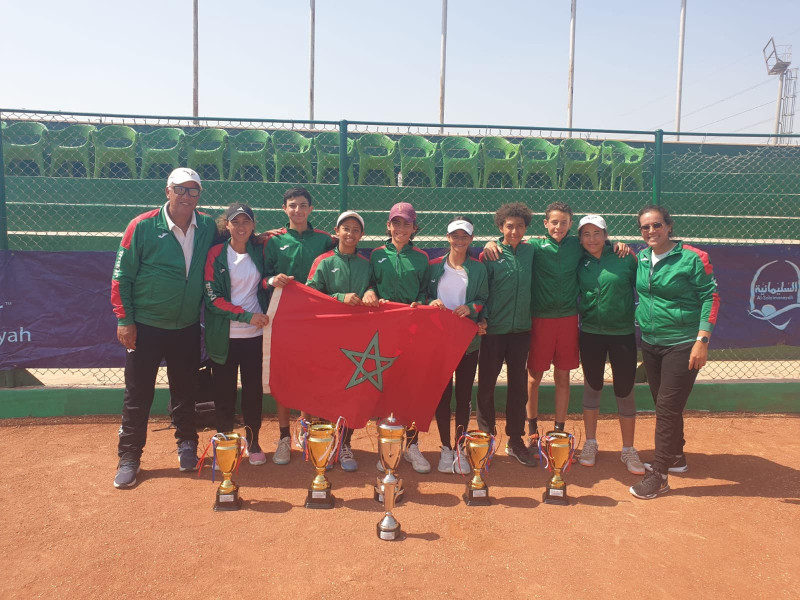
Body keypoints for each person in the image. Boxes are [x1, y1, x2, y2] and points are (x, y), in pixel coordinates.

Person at [483, 202, 628, 443]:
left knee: (563, 376)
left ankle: (559, 428)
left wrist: (617, 245)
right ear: (545, 224)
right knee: (534, 377)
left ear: (571, 224)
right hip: (540, 320)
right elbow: (509, 243)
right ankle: (531, 428)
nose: (558, 227)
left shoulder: (577, 245)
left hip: (569, 319)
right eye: (554, 222)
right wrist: (492, 242)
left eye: (563, 222)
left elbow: (598, 244)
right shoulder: (535, 247)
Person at [111, 167, 218, 488]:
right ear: (167, 191)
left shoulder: (208, 225)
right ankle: (129, 456)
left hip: (186, 327)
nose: (186, 196)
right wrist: (124, 319)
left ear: (199, 195)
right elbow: (121, 276)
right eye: (180, 190)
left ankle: (187, 444)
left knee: (185, 391)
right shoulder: (141, 226)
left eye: (193, 191)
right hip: (145, 327)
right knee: (137, 395)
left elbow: (239, 234)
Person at [629, 205, 720, 500]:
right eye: (645, 227)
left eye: (657, 225)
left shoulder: (693, 258)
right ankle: (676, 457)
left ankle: (660, 475)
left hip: (683, 343)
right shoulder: (641, 257)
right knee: (664, 404)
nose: (651, 231)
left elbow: (711, 296)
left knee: (666, 409)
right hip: (652, 342)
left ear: (669, 226)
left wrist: (702, 340)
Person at [261, 187, 336, 465]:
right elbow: (261, 278)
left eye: (303, 205)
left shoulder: (325, 240)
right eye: (292, 205)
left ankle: (306, 427)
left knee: (314, 374)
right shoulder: (272, 241)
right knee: (284, 376)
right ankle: (283, 437)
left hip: (318, 321)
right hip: (284, 318)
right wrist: (271, 280)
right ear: (285, 209)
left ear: (311, 209)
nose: (298, 210)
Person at [362, 202, 432, 473]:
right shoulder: (377, 255)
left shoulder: (422, 258)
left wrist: (420, 304)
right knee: (386, 389)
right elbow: (369, 283)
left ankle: (412, 445)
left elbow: (426, 291)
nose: (401, 228)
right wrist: (369, 291)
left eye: (407, 223)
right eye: (396, 222)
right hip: (383, 332)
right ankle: (387, 448)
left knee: (411, 389)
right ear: (388, 225)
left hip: (412, 332)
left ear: (415, 228)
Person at [306, 210, 378, 471]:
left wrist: (370, 291)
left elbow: (373, 285)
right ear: (336, 232)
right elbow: (311, 294)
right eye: (345, 228)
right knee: (327, 389)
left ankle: (345, 443)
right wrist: (339, 297)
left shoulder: (365, 263)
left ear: (361, 235)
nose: (350, 233)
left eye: (356, 230)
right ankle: (325, 440)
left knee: (351, 390)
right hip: (329, 336)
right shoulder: (323, 261)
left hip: (357, 337)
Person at [575, 215, 644, 475]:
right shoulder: (578, 260)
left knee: (624, 389)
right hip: (590, 332)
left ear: (606, 235)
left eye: (597, 233)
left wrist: (629, 250)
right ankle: (590, 443)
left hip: (622, 333)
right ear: (580, 238)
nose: (591, 239)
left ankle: (628, 449)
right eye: (586, 234)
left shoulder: (625, 258)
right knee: (592, 386)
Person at [203, 203, 270, 466]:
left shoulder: (259, 249)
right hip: (224, 336)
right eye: (235, 222)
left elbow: (264, 280)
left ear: (253, 225)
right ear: (227, 225)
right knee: (224, 393)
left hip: (255, 336)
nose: (241, 227)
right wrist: (245, 315)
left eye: (246, 222)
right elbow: (212, 298)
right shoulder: (216, 254)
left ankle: (253, 442)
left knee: (253, 393)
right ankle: (225, 444)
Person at [476, 203, 538, 466]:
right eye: (509, 226)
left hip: (521, 331)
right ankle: (486, 436)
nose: (514, 231)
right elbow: (481, 290)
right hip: (493, 331)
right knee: (487, 385)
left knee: (517, 388)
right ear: (500, 227)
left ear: (526, 228)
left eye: (520, 226)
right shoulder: (489, 254)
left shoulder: (531, 251)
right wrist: (483, 318)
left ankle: (515, 439)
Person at [427, 217, 489, 474]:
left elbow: (484, 298)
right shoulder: (433, 267)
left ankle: (460, 446)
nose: (460, 241)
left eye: (465, 237)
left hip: (467, 341)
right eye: (455, 236)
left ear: (471, 240)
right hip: (440, 341)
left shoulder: (479, 269)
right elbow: (422, 295)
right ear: (448, 238)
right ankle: (444, 448)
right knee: (442, 396)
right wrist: (431, 302)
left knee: (463, 397)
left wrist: (472, 308)